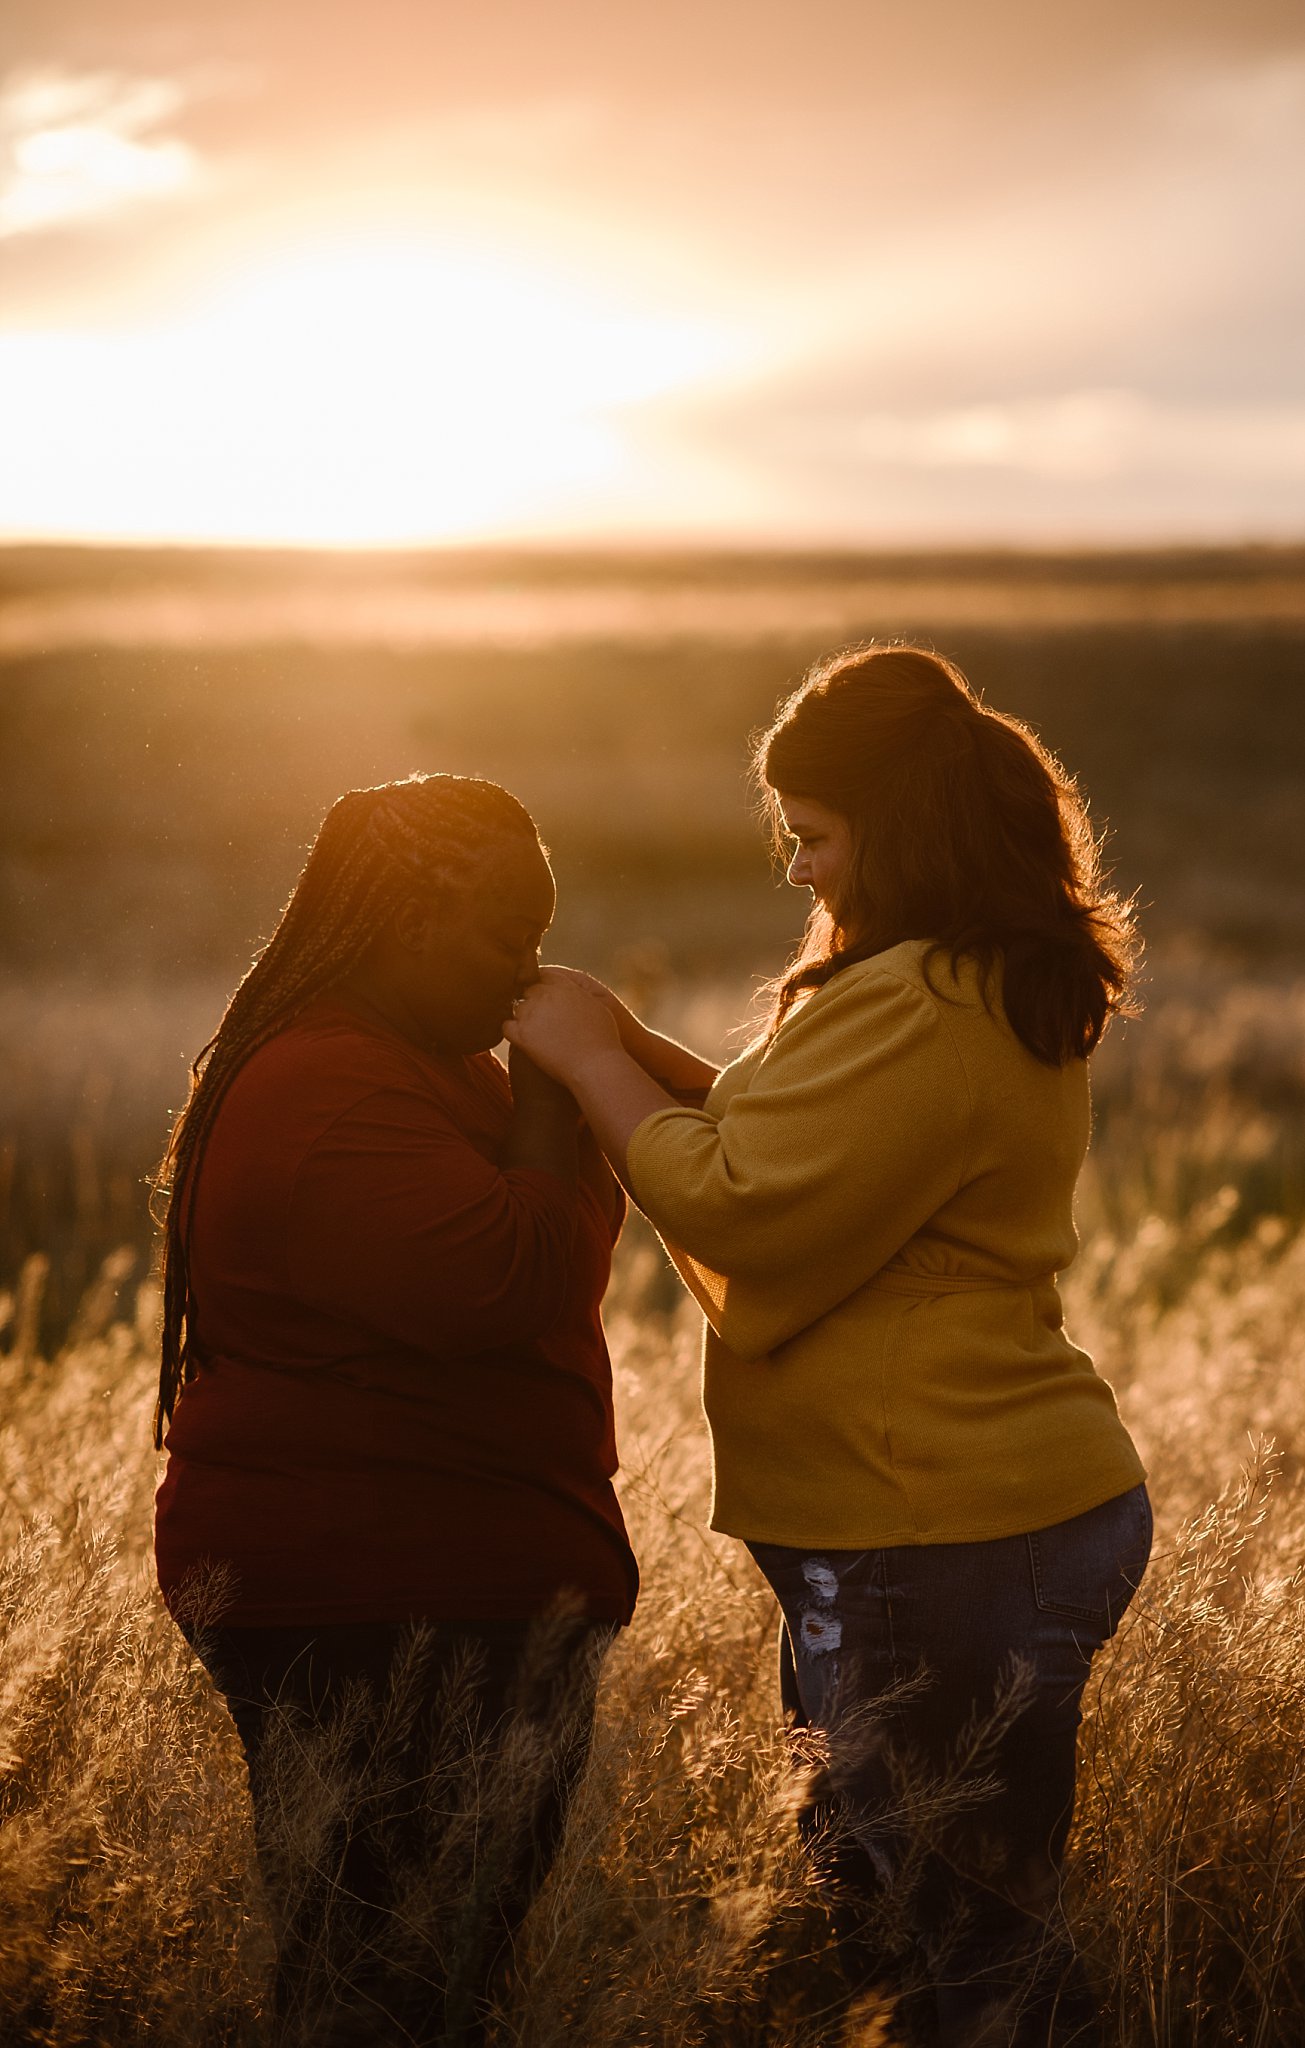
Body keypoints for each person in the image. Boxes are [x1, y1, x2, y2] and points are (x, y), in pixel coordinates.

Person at [506, 645, 1150, 2047]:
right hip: (951, 1515)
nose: (797, 871)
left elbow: (750, 1197)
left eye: (815, 837)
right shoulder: (962, 981)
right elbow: (787, 1131)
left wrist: (588, 1060)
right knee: (893, 1925)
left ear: (897, 827)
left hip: (942, 1524)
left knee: (973, 1945)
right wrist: (637, 1048)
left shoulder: (928, 1001)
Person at [152, 772, 637, 2047]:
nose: (527, 965)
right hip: (383, 1607)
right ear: (406, 923)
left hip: (443, 1591)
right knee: (388, 1987)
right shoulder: (331, 1089)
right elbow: (509, 1276)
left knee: (422, 1982)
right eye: (503, 932)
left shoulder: (416, 1062)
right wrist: (554, 1088)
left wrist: (594, 1061)